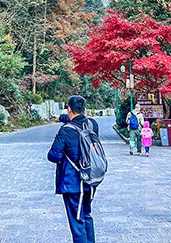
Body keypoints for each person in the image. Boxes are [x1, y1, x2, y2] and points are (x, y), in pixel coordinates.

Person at [48, 96, 100, 243]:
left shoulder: (65, 131)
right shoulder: (93, 125)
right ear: (84, 109)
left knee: (77, 221)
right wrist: (62, 118)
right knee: (86, 215)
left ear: (69, 109)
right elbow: (79, 121)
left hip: (73, 183)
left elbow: (53, 156)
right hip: (90, 179)